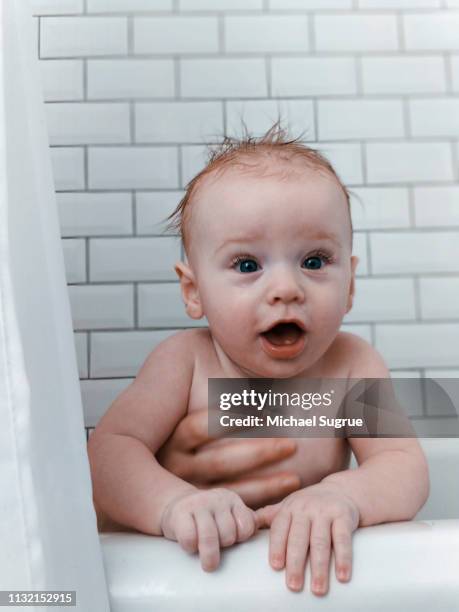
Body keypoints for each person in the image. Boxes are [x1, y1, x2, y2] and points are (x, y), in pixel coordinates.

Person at [87, 124, 429, 597]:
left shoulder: (352, 364)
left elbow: (402, 464)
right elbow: (109, 451)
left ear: (349, 283)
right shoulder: (184, 363)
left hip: (300, 588)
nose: (286, 288)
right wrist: (173, 504)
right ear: (194, 291)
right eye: (248, 265)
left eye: (314, 261)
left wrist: (342, 495)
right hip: (193, 579)